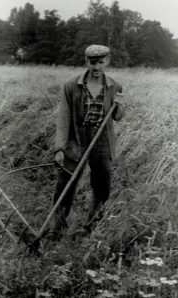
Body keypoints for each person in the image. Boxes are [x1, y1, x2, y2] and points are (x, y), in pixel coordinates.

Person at [51, 45, 124, 238]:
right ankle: (56, 229)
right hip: (77, 138)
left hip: (102, 141)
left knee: (102, 186)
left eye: (101, 62)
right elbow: (64, 118)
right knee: (65, 182)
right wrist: (59, 148)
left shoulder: (114, 86)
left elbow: (117, 117)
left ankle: (91, 229)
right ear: (86, 62)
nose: (97, 67)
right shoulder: (71, 85)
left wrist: (120, 109)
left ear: (107, 61)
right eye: (93, 62)